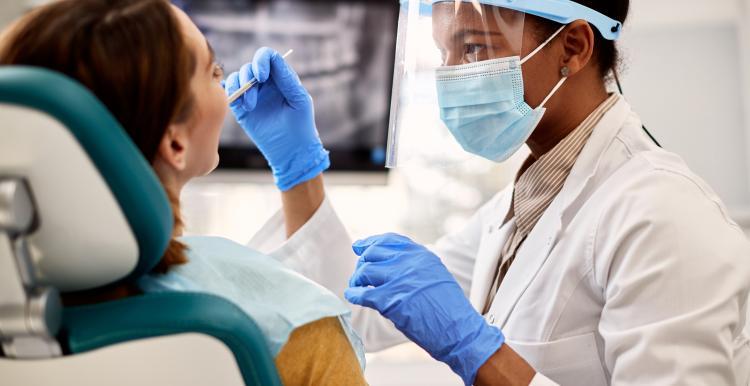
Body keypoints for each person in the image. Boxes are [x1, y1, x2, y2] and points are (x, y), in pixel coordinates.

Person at [225, 0, 750, 385]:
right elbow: (354, 310)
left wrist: (476, 351)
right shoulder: (523, 202)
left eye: (474, 47)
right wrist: (298, 168)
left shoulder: (664, 213)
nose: (452, 75)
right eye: (444, 52)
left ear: (574, 47)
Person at [0, 1, 367, 385]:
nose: (226, 85)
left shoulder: (18, 319)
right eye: (214, 72)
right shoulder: (292, 327)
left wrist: (298, 173)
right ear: (174, 144)